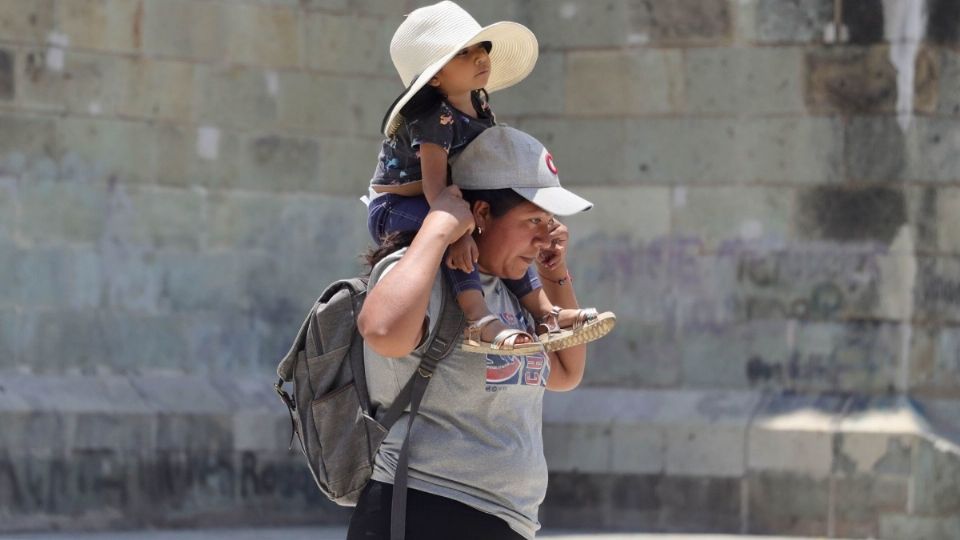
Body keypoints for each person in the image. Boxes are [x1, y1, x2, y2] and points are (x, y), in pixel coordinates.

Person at [349, 126, 613, 540]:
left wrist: (552, 273)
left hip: (505, 518)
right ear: (482, 215)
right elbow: (382, 332)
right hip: (425, 509)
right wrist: (438, 226)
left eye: (549, 222)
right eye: (531, 220)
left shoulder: (512, 288)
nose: (544, 236)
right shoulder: (424, 274)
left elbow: (563, 372)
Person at [366, 1, 611, 354]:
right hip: (399, 206)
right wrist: (457, 232)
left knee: (507, 243)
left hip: (447, 200)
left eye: (483, 47)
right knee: (459, 239)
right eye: (464, 53)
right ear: (435, 76)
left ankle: (546, 314)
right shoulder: (434, 118)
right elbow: (436, 187)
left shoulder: (479, 104)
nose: (481, 57)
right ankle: (477, 317)